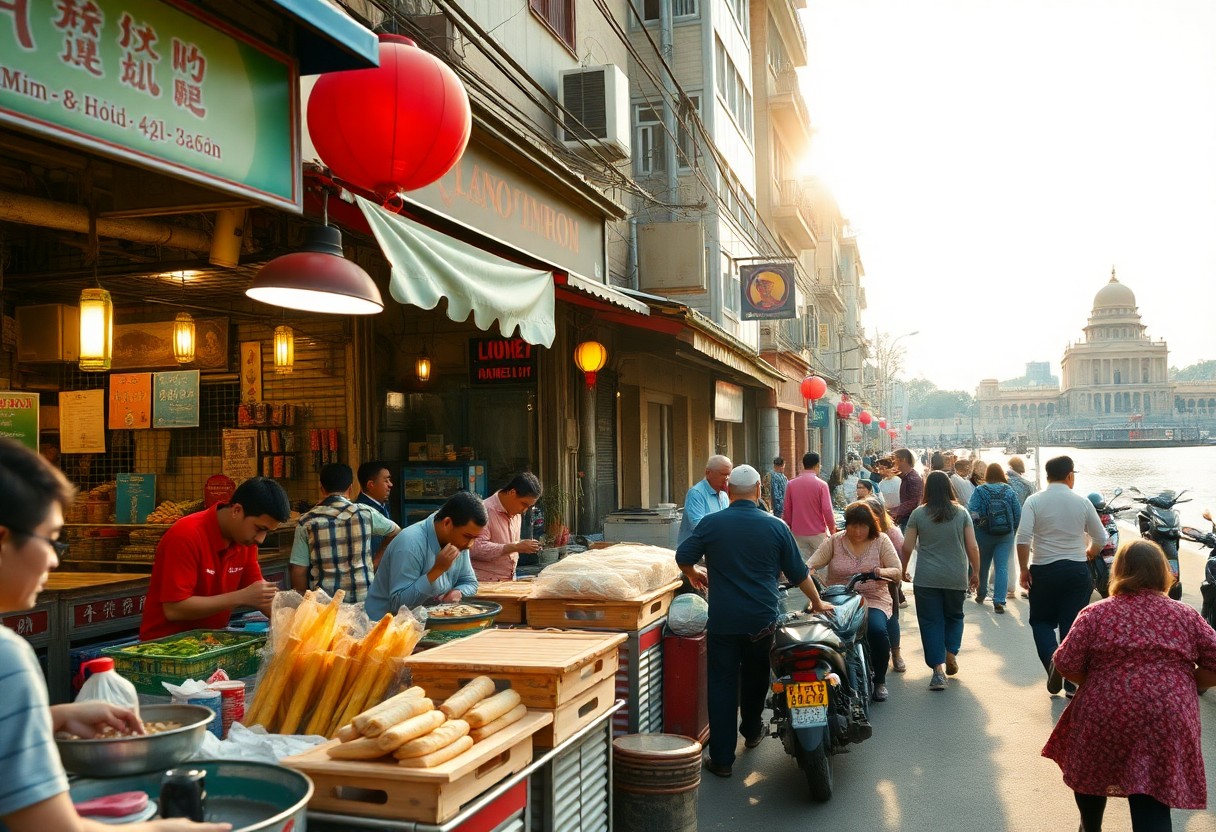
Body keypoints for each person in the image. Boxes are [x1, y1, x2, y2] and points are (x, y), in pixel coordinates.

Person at [0, 437, 229, 832]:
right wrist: (158, 829)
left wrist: (49, 719)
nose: (55, 558)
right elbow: (51, 827)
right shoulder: (8, 657)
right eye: (51, 539)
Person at [1043, 540, 1216, 832]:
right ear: (1163, 572)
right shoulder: (1185, 615)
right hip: (1167, 712)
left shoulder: (1096, 613)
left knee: (1091, 770)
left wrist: (1099, 682)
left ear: (1119, 572)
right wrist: (1186, 684)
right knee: (1151, 793)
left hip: (1106, 709)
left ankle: (1090, 827)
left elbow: (1066, 662)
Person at [675, 465, 834, 778]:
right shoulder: (775, 527)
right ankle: (751, 730)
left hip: (723, 621)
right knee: (756, 677)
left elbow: (683, 555)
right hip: (762, 619)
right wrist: (816, 602)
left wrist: (694, 574)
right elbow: (800, 574)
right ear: (760, 490)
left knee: (721, 685)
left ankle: (721, 759)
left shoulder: (711, 524)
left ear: (729, 491)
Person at [141, 477, 289, 641]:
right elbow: (174, 609)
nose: (260, 539)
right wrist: (241, 597)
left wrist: (299, 623)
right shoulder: (185, 536)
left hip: (210, 643)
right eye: (259, 529)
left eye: (267, 532)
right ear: (237, 511)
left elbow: (261, 595)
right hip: (166, 648)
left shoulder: (245, 542)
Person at [1016, 455, 1108, 696]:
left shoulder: (1033, 502)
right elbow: (1101, 538)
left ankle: (1052, 663)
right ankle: (1070, 683)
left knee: (1041, 622)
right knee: (1071, 625)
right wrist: (1089, 552)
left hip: (1043, 570)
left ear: (1047, 476)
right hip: (1076, 571)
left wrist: (1024, 569)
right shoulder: (1082, 502)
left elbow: (1023, 538)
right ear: (1069, 475)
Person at [808, 502, 903, 702]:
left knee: (877, 630)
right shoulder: (835, 541)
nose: (858, 531)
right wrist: (806, 572)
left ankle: (879, 680)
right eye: (853, 525)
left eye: (863, 526)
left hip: (873, 598)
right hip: (838, 599)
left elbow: (897, 570)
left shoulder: (881, 540)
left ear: (871, 525)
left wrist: (879, 572)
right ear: (847, 524)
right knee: (816, 632)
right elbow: (811, 563)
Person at [902, 471, 980, 691]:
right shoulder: (961, 512)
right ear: (949, 488)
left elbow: (907, 546)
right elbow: (972, 546)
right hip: (955, 576)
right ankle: (951, 651)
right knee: (955, 616)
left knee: (930, 621)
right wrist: (977, 572)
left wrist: (903, 568)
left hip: (926, 578)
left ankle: (938, 671)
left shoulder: (918, 514)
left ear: (927, 489)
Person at [289, 463, 400, 600]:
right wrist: (375, 561)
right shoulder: (365, 513)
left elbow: (298, 570)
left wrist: (302, 604)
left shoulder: (306, 521)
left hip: (326, 606)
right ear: (351, 488)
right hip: (364, 603)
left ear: (322, 489)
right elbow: (396, 532)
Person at [365, 491, 485, 618]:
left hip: (429, 623)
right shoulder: (409, 542)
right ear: (447, 523)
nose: (470, 544)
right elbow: (399, 604)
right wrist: (437, 570)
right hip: (386, 625)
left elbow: (470, 582)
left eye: (475, 538)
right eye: (467, 536)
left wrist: (458, 592)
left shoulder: (460, 543)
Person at [967, 462, 1021, 613]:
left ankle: (981, 594)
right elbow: (1017, 512)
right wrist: (1012, 529)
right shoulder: (1008, 490)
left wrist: (979, 524)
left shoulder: (980, 490)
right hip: (1005, 534)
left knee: (983, 564)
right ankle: (999, 601)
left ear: (987, 475)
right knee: (1001, 566)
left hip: (984, 534)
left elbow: (972, 510)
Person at [470, 473, 542, 582]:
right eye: (524, 504)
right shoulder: (484, 511)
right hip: (484, 584)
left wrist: (524, 545)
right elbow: (475, 548)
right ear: (512, 493)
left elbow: (506, 542)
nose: (525, 510)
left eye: (529, 506)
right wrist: (515, 547)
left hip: (508, 581)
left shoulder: (517, 514)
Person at [865, 495, 909, 673]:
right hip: (861, 584)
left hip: (888, 583)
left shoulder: (891, 533)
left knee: (892, 618)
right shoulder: (860, 533)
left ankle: (896, 654)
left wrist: (888, 572)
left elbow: (900, 557)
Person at [783, 452, 836, 562]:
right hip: (818, 533)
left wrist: (789, 525)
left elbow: (787, 510)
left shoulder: (791, 484)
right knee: (820, 566)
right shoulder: (822, 485)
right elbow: (827, 510)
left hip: (798, 533)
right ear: (817, 465)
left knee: (802, 567)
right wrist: (832, 529)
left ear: (803, 465)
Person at [677, 455, 732, 544]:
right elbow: (698, 527)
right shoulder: (696, 493)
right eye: (723, 474)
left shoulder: (724, 496)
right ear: (708, 473)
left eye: (729, 474)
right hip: (695, 553)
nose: (727, 478)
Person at [1005, 456, 1038, 597]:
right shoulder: (1028, 484)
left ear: (1010, 467)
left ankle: (1009, 587)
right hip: (1025, 521)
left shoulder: (1004, 482)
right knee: (1029, 554)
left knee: (1008, 555)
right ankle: (1029, 584)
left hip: (1006, 522)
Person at [355, 460, 394, 552]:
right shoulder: (363, 512)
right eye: (386, 480)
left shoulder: (383, 505)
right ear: (371, 485)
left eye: (390, 480)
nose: (390, 485)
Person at [889, 448, 924, 532]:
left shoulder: (912, 478)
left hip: (909, 520)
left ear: (903, 460)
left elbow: (914, 502)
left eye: (895, 459)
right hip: (905, 519)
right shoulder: (907, 476)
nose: (893, 462)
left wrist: (892, 511)